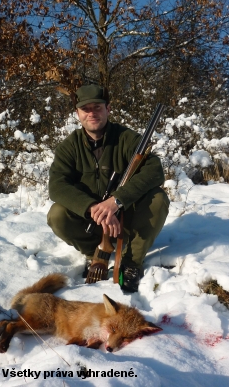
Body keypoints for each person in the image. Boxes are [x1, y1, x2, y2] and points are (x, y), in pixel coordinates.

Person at [47, 84, 169, 292]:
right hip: (91, 224)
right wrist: (93, 207)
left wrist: (117, 201)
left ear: (108, 109)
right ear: (78, 113)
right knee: (57, 214)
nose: (92, 113)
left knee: (158, 198)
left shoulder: (127, 139)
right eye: (86, 109)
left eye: (97, 107)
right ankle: (93, 253)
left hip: (126, 223)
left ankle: (131, 262)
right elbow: (57, 186)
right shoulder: (69, 146)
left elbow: (155, 170)